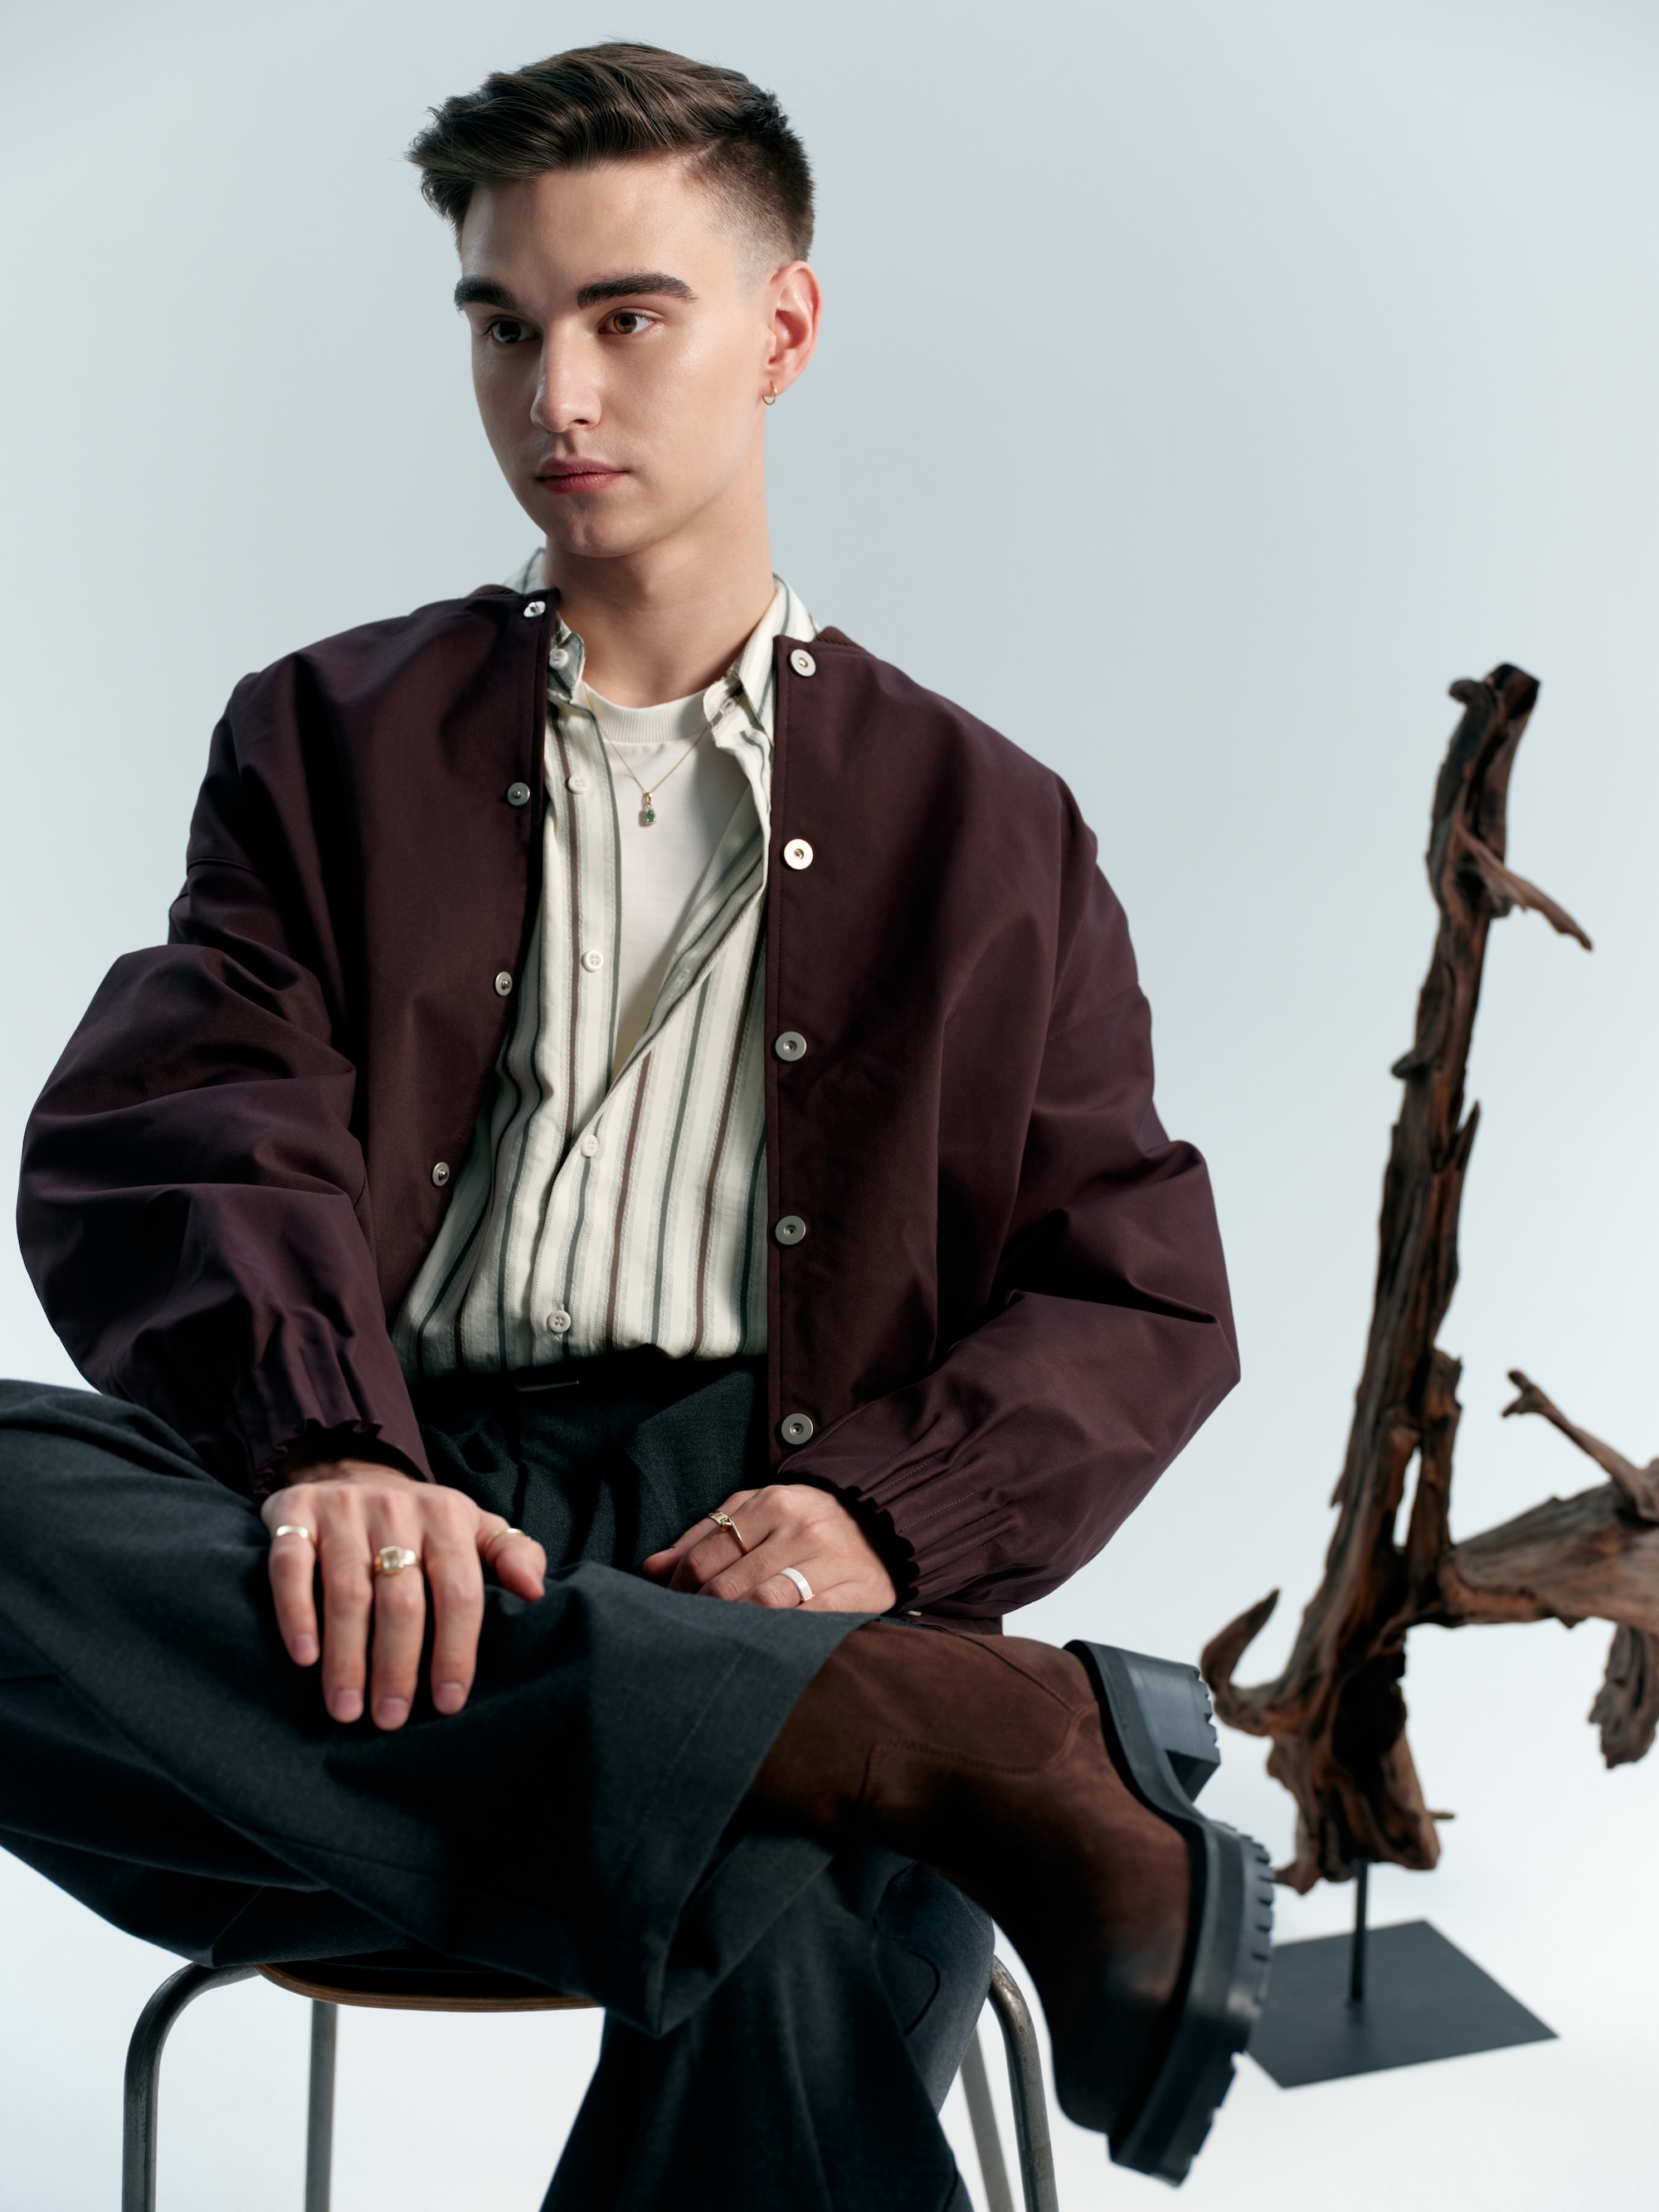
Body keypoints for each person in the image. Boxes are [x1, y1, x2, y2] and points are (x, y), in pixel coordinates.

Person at [2, 41, 1265, 2210]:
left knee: (740, 1850)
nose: (554, 395)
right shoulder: (324, 735)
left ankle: (803, 1735)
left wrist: (878, 1522)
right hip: (396, 1531)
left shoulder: (989, 824)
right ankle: (931, 1753)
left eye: (627, 316)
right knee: (770, 1844)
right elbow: (188, 1109)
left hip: (768, 1521)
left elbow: (1133, 1284)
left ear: (783, 327)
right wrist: (328, 1439)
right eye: (503, 326)